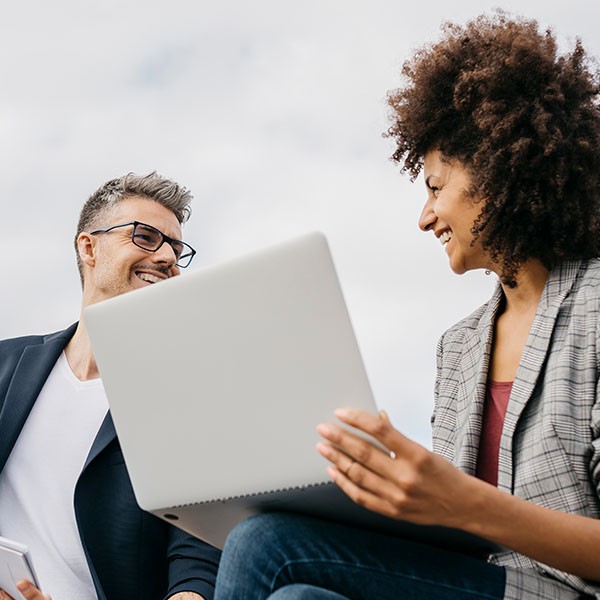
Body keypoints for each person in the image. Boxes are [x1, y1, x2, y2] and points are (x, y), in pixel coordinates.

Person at [213, 12, 600, 600]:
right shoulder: (460, 345)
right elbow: (447, 532)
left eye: (435, 186)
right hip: (481, 582)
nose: (424, 218)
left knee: (263, 545)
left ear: (500, 168)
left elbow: (467, 509)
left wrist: (469, 503)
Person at [0, 173, 221, 600]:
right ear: (89, 247)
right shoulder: (6, 365)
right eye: (146, 237)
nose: (166, 258)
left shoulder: (186, 396)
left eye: (176, 249)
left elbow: (199, 558)